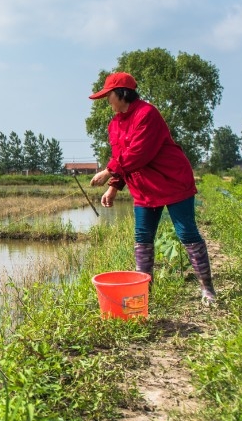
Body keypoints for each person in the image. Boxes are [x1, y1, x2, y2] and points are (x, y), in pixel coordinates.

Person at [88, 72, 217, 306]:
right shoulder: (115, 123)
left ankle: (207, 289)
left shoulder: (147, 114)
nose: (107, 101)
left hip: (172, 181)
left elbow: (138, 153)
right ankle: (144, 292)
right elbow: (121, 156)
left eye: (109, 96)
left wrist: (108, 171)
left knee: (186, 234)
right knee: (142, 239)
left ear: (121, 94)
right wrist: (113, 188)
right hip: (144, 188)